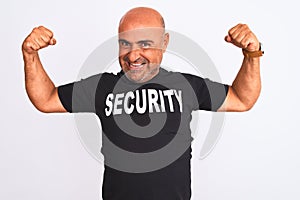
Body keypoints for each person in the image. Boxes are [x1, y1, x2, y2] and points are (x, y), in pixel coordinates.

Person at [22, 7, 263, 200]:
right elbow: (46, 99)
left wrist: (251, 55)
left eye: (145, 44)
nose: (133, 54)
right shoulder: (102, 88)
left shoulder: (184, 86)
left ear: (164, 43)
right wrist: (30, 55)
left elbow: (242, 99)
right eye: (125, 43)